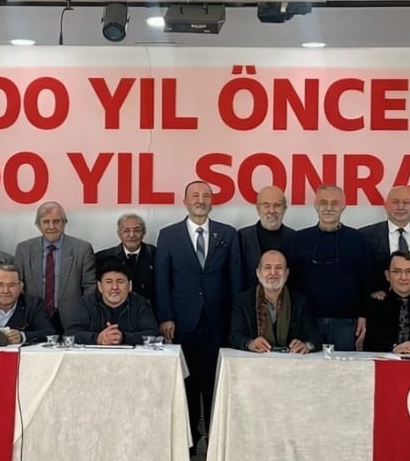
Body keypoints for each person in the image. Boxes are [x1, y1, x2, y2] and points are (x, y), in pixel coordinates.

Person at [155, 180, 243, 437]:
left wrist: (237, 320)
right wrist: (166, 317)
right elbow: (162, 280)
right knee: (187, 382)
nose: (201, 200)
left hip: (219, 321)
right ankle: (190, 441)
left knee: (216, 382)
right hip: (182, 322)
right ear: (185, 201)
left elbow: (236, 279)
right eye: (195, 195)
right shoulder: (168, 235)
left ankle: (216, 440)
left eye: (206, 196)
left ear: (212, 201)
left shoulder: (228, 234)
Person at [287, 184, 371, 350]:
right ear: (316, 205)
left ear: (343, 206)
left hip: (347, 324)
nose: (329, 208)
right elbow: (290, 282)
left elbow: (367, 279)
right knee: (309, 366)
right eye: (323, 202)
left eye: (335, 203)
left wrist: (364, 315)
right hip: (308, 322)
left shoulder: (357, 239)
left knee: (344, 366)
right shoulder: (298, 239)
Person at [15, 201, 95, 334]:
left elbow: (90, 288)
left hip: (73, 320)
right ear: (38, 225)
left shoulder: (82, 249)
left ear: (64, 223)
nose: (51, 226)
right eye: (46, 222)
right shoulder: (24, 249)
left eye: (56, 221)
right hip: (34, 320)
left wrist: (84, 315)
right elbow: (17, 286)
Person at [359, 185, 410, 300]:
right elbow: (359, 274)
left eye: (406, 202)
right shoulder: (364, 236)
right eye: (395, 202)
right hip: (379, 304)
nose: (400, 207)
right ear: (385, 206)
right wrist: (372, 292)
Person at [230, 250, 320, 353]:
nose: (273, 273)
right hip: (255, 360)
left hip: (292, 360)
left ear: (287, 273)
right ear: (258, 273)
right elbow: (235, 336)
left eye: (279, 267)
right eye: (268, 267)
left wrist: (307, 345)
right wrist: (250, 343)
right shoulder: (243, 301)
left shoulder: (301, 302)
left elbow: (315, 339)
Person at [66, 263, 158, 345]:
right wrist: (97, 338)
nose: (114, 287)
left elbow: (153, 334)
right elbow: (71, 333)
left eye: (120, 282)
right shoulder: (87, 303)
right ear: (100, 286)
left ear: (130, 286)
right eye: (109, 282)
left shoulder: (140, 304)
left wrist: (124, 338)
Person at [237, 185, 296, 276]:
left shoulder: (295, 238)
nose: (272, 210)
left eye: (277, 205)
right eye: (266, 205)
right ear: (258, 208)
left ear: (285, 208)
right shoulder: (242, 237)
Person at [95, 212, 156, 294]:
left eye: (137, 230)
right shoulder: (103, 258)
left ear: (144, 232)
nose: (131, 235)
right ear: (118, 233)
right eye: (126, 231)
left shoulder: (156, 255)